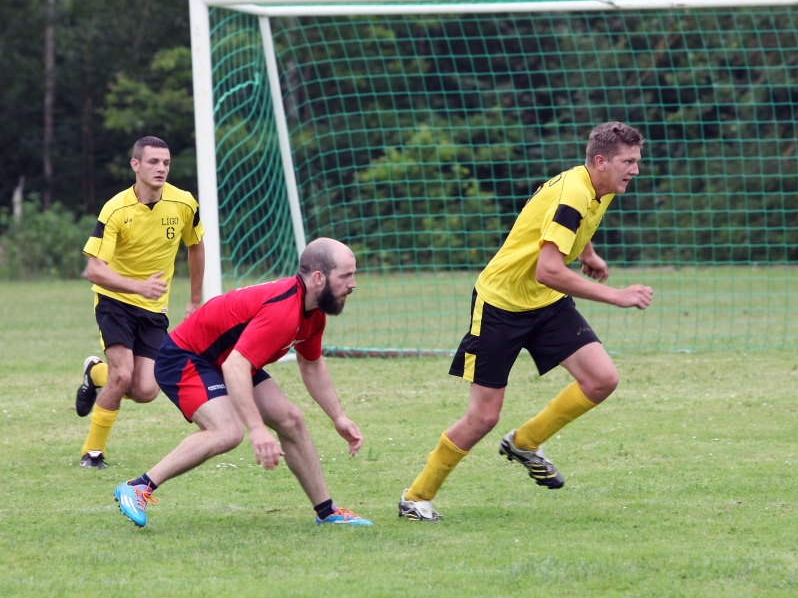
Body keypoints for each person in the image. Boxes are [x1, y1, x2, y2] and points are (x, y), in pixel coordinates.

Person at [399, 122, 654, 522]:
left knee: (601, 379)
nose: (636, 170)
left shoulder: (597, 185)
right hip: (501, 305)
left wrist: (587, 254)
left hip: (545, 304)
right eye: (629, 161)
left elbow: (566, 227)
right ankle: (416, 498)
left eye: (637, 161)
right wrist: (616, 296)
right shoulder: (573, 193)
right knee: (483, 416)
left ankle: (525, 442)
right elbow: (548, 270)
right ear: (601, 161)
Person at [114, 238, 372, 528]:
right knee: (227, 432)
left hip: (228, 357)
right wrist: (257, 429)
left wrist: (338, 416)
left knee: (291, 419)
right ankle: (138, 486)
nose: (353, 283)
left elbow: (311, 365)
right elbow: (236, 366)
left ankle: (328, 512)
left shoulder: (313, 314)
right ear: (318, 277)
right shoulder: (283, 310)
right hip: (186, 356)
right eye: (346, 275)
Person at [77, 136, 205, 468]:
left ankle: (94, 374)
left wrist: (194, 299)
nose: (161, 168)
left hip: (153, 307)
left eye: (165, 163)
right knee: (122, 376)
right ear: (136, 165)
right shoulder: (116, 208)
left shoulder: (184, 204)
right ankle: (92, 453)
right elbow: (93, 269)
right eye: (153, 162)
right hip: (114, 301)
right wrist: (136, 286)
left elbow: (195, 245)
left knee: (146, 390)